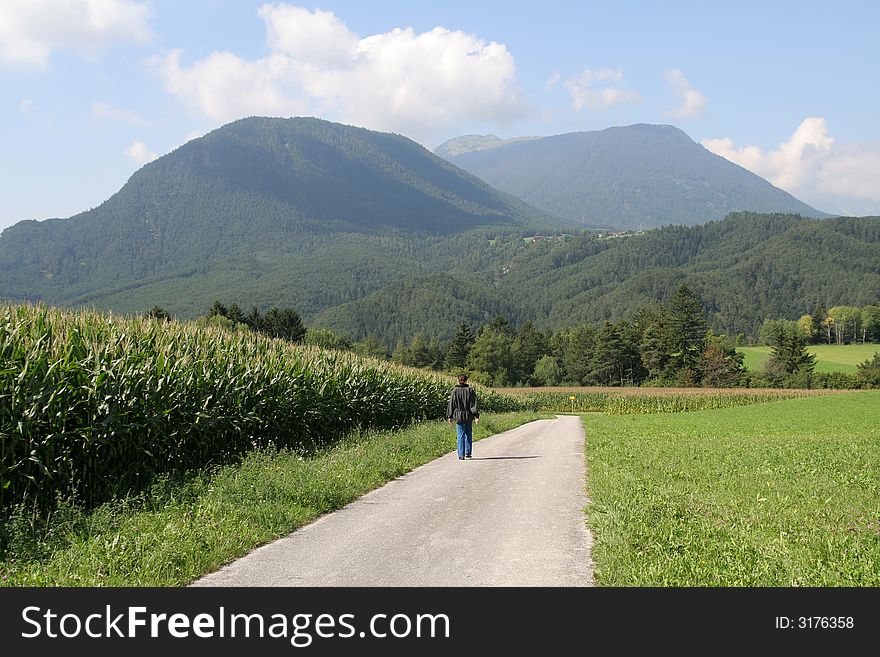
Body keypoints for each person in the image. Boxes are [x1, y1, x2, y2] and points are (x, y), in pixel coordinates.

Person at [447, 373, 479, 460]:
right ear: (466, 380)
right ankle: (468, 453)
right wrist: (476, 416)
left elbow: (451, 404)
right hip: (468, 415)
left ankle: (461, 455)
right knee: (468, 433)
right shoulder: (470, 390)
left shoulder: (455, 391)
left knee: (460, 435)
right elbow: (473, 405)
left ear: (458, 380)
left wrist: (450, 416)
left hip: (458, 415)